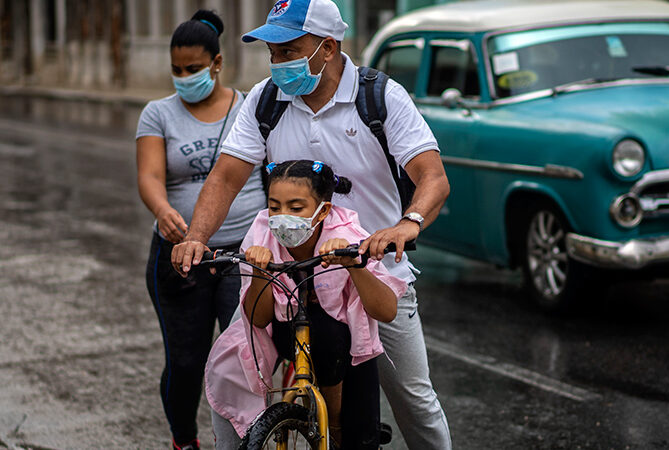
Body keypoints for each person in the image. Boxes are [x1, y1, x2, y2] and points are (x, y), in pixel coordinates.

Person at [172, 1, 452, 448]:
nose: (279, 62)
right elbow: (226, 176)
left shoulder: (380, 97)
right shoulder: (266, 100)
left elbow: (432, 176)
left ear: (328, 46)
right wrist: (195, 237)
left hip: (371, 274)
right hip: (287, 275)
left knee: (414, 401)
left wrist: (407, 223)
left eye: (289, 50)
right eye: (274, 52)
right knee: (231, 372)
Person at [206, 159, 409, 449]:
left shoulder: (349, 235)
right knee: (230, 366)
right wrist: (261, 272)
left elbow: (386, 311)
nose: (281, 216)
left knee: (361, 429)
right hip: (284, 332)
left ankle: (336, 421)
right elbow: (258, 319)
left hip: (345, 349)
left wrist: (354, 264)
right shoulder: (262, 232)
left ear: (323, 210)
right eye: (274, 207)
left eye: (296, 208)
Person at [135, 10, 264, 450]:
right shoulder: (158, 114)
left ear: (217, 63)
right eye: (177, 70)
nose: (184, 77)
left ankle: (249, 437)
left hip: (243, 256)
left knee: (246, 358)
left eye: (193, 68)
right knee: (186, 361)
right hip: (179, 258)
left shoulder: (249, 108)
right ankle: (184, 440)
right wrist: (163, 208)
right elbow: (150, 176)